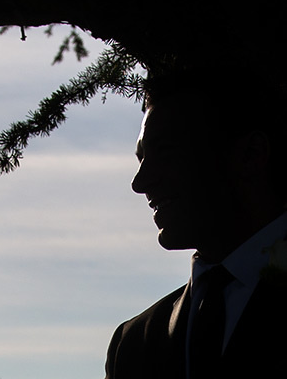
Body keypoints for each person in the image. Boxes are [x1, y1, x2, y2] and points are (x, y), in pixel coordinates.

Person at [104, 73, 287, 379]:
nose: (140, 182)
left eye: (166, 152)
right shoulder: (133, 343)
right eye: (142, 158)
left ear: (251, 155)